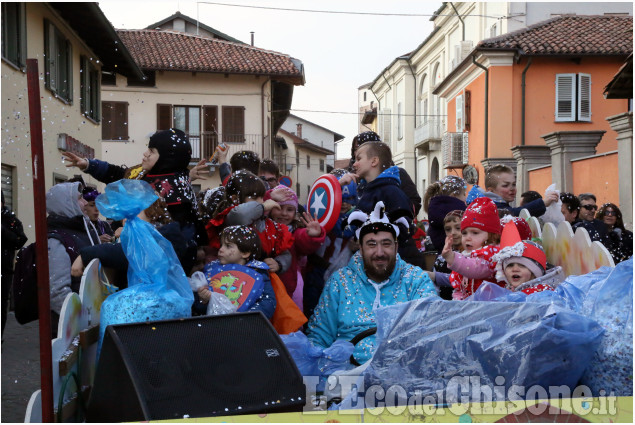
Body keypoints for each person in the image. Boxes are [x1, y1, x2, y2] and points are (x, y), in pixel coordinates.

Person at [306, 201, 437, 364]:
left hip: (401, 374)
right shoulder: (339, 283)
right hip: (346, 376)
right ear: (360, 248)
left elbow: (432, 331)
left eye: (386, 244)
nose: (379, 252)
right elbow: (318, 337)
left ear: (396, 247)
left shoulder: (416, 280)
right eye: (371, 244)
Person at [62, 128, 204, 246]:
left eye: (152, 151)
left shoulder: (177, 193)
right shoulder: (146, 173)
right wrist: (88, 165)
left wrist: (128, 232)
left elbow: (175, 238)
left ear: (167, 157)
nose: (145, 154)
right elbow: (117, 174)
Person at [340, 142, 424, 268]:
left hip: (396, 268)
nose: (354, 164)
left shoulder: (391, 191)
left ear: (374, 161)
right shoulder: (367, 191)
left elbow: (403, 229)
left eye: (359, 159)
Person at [208, 170, 294, 275]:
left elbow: (285, 253)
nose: (261, 201)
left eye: (262, 197)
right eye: (254, 198)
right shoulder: (231, 217)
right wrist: (263, 207)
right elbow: (242, 215)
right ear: (235, 199)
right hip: (230, 277)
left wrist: (279, 263)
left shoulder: (268, 224)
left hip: (261, 279)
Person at [46, 182, 101, 338]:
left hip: (86, 323)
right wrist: (81, 319)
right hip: (68, 329)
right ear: (65, 203)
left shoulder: (83, 229)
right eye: (79, 199)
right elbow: (57, 291)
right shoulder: (56, 239)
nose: (84, 203)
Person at [196, 226, 276, 319]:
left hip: (245, 328)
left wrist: (249, 316)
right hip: (214, 325)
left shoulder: (257, 273)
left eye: (228, 246)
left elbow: (268, 302)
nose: (221, 249)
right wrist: (203, 300)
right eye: (221, 245)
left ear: (245, 253)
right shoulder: (211, 271)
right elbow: (197, 306)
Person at [266, 185, 326, 298]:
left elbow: (303, 241)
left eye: (289, 210)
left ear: (295, 213)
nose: (284, 213)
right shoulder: (262, 227)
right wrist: (269, 195)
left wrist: (312, 236)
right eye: (278, 207)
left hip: (288, 290)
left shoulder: (295, 232)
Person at [347, 131, 422, 216]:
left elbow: (409, 207)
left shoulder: (395, 179)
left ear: (374, 159)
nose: (355, 152)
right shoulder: (356, 178)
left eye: (360, 147)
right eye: (355, 149)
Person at [441, 197, 502, 300]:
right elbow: (460, 288)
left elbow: (476, 268)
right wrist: (458, 302)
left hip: (492, 308)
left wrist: (452, 258)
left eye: (475, 233)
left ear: (492, 236)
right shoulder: (465, 256)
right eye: (464, 233)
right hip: (471, 309)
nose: (467, 238)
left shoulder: (492, 255)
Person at [492, 221, 563, 294]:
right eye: (510, 265)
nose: (515, 269)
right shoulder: (507, 289)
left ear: (535, 272)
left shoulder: (541, 292)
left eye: (522, 265)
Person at [483, 164, 558, 217]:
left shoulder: (491, 204)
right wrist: (543, 203)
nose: (512, 189)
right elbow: (515, 214)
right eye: (505, 185)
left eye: (514, 184)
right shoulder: (492, 207)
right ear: (491, 191)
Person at [1, 192, 28, 336]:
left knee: (1, 304)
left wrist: (3, 231)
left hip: (3, 271)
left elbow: (19, 240)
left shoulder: (10, 220)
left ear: (3, 203)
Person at [423, 176, 467, 252]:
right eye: (464, 194)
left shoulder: (435, 210)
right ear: (454, 196)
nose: (465, 198)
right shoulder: (458, 212)